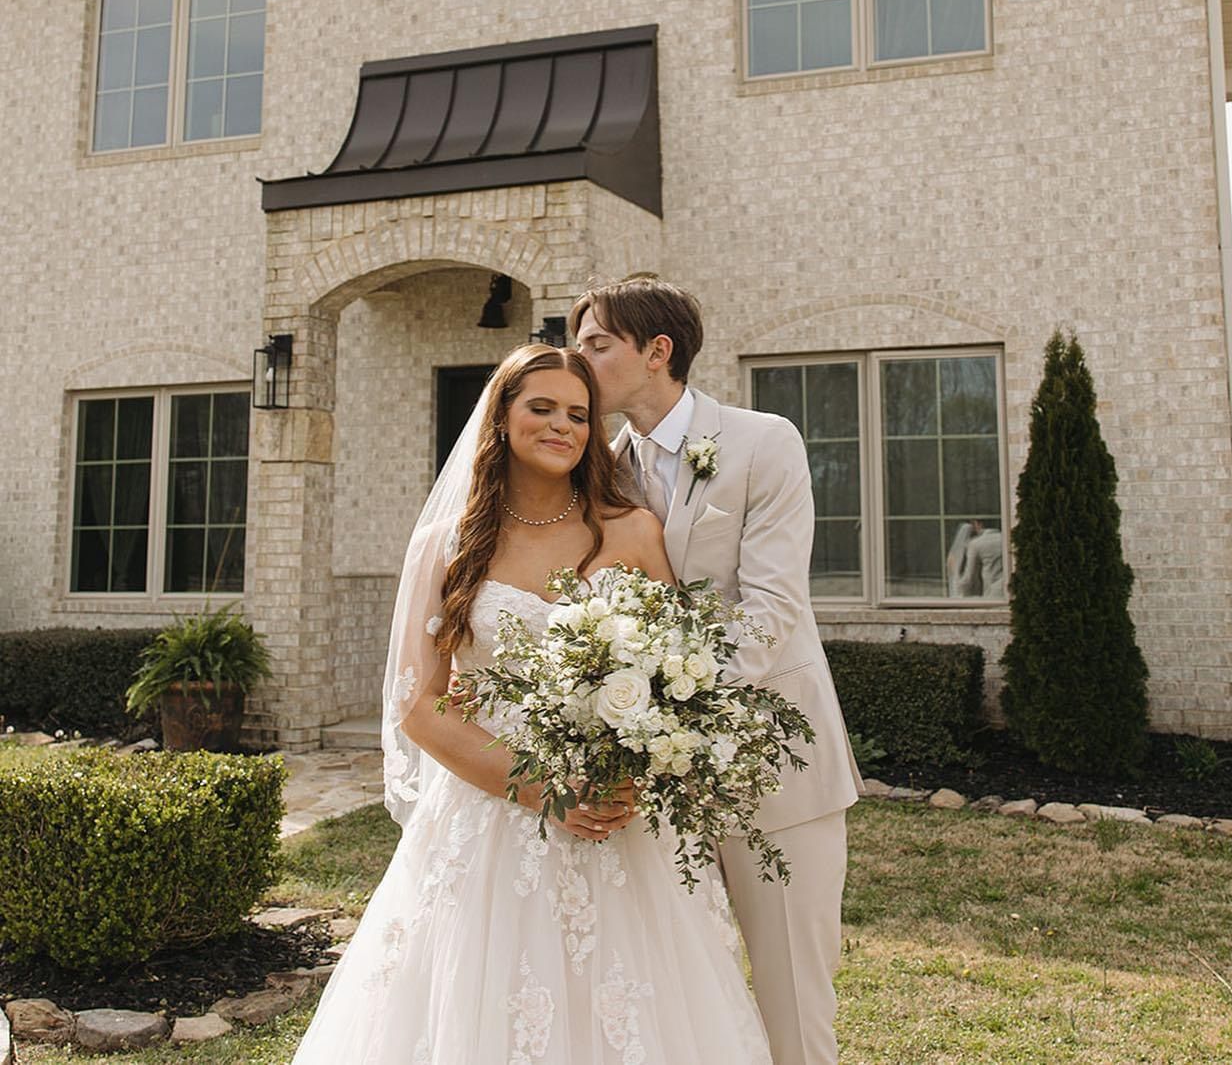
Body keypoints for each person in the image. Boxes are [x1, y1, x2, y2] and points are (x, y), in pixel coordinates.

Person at [290, 343, 772, 1065]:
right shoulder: (446, 545)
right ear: (501, 418)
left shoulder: (632, 531)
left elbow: (683, 679)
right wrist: (544, 789)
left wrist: (634, 774)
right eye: (541, 407)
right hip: (492, 818)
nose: (562, 426)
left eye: (578, 414)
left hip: (618, 820)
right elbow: (420, 705)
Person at [571, 281, 863, 1065]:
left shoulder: (764, 441)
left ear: (657, 351)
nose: (580, 359)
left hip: (776, 766)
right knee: (685, 1005)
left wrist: (655, 710)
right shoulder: (598, 471)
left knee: (793, 1004)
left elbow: (770, 612)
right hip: (657, 790)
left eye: (597, 343)